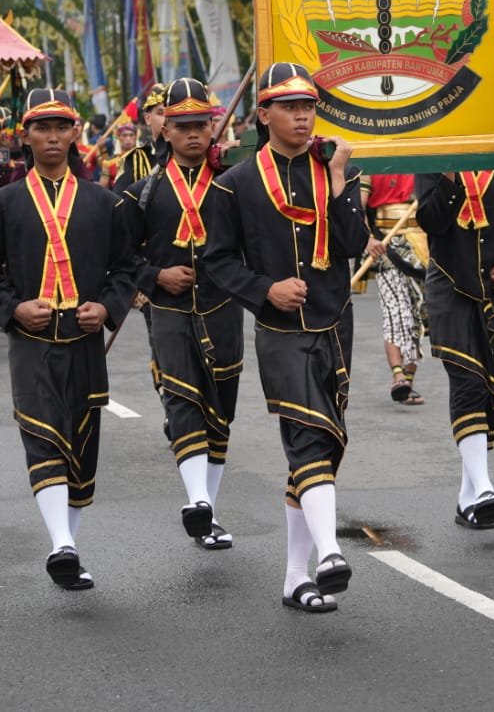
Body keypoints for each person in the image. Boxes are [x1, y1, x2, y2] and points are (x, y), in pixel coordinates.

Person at [202, 62, 370, 614]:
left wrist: (343, 177)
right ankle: (329, 552)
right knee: (306, 435)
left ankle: (296, 577)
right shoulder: (234, 183)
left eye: (309, 107)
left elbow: (350, 242)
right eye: (290, 107)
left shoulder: (334, 171)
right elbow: (218, 261)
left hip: (335, 322)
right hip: (279, 330)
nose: (302, 117)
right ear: (263, 114)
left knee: (326, 444)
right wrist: (264, 290)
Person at [0, 89, 139, 589]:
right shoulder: (1, 204)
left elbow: (127, 268)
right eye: (41, 128)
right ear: (25, 135)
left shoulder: (105, 203)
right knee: (43, 435)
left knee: (82, 447)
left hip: (85, 337)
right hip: (32, 339)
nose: (52, 137)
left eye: (60, 127)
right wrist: (12, 308)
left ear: (75, 133)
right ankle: (60, 545)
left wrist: (107, 307)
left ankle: (69, 545)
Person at [121, 78, 245, 551]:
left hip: (224, 307)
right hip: (169, 310)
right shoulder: (141, 194)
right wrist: (155, 278)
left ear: (213, 128)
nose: (194, 134)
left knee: (221, 409)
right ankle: (197, 501)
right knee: (181, 399)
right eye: (183, 126)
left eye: (201, 124)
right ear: (165, 131)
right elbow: (123, 258)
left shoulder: (234, 185)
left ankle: (206, 511)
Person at [415, 158, 494, 532]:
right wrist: (449, 174)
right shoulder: (434, 161)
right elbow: (431, 222)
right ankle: (483, 487)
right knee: (468, 382)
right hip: (450, 287)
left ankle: (469, 497)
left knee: (491, 392)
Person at [362, 171, 428, 405]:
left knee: (417, 315)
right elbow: (359, 209)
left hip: (421, 248)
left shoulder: (422, 161)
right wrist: (368, 238)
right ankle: (398, 376)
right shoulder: (371, 165)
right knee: (395, 312)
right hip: (385, 246)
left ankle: (408, 381)